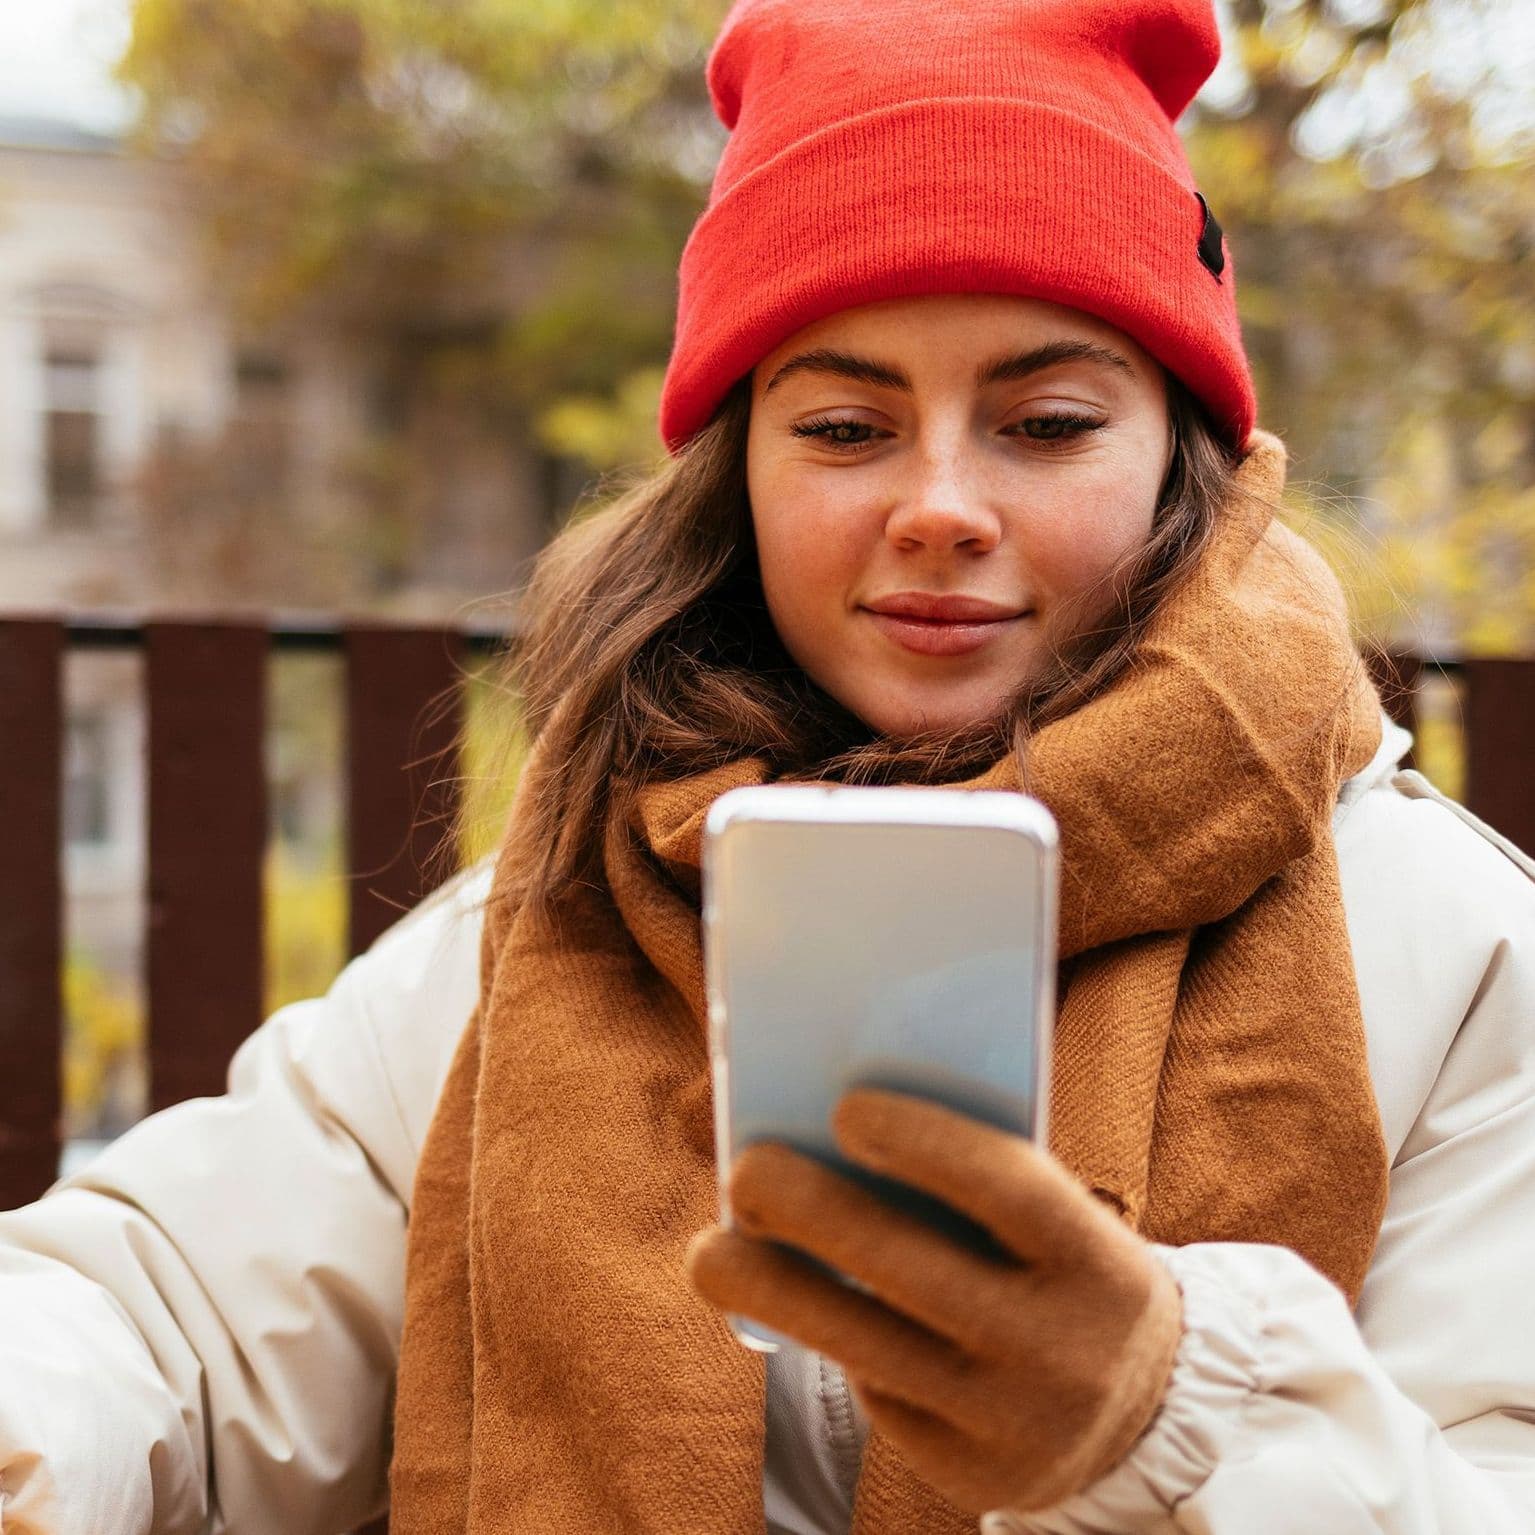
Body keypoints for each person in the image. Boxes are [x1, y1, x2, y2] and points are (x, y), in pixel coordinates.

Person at [4, 0, 1535, 1530]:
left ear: (1182, 462)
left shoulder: (1444, 947)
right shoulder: (579, 903)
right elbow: (173, 1309)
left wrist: (1171, 1415)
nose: (940, 505)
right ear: (741, 470)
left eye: (1049, 421)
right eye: (848, 426)